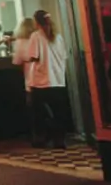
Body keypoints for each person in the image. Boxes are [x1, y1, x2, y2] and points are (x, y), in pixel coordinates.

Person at [28, 9, 69, 149]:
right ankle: (60, 140)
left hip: (41, 80)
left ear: (36, 22)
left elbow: (33, 56)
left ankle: (40, 139)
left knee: (38, 113)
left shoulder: (36, 36)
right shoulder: (58, 37)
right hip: (58, 79)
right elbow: (64, 56)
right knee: (59, 112)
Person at [8, 18, 37, 141]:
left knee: (33, 108)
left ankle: (36, 136)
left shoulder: (20, 42)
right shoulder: (38, 39)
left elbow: (16, 61)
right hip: (47, 78)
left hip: (30, 79)